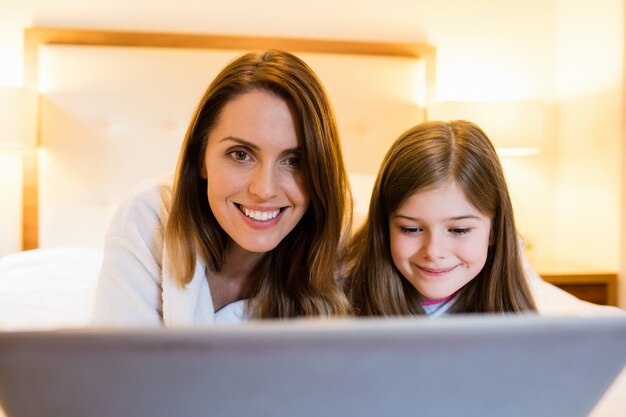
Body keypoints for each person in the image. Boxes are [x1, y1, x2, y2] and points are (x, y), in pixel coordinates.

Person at [91, 50, 352, 326]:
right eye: (240, 154)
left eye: (294, 161)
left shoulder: (342, 247)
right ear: (201, 157)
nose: (264, 190)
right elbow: (115, 365)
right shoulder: (148, 218)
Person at [345, 120, 537, 317]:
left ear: (494, 229)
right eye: (411, 229)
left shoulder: (514, 306)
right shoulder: (343, 300)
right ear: (384, 227)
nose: (433, 252)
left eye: (459, 230)